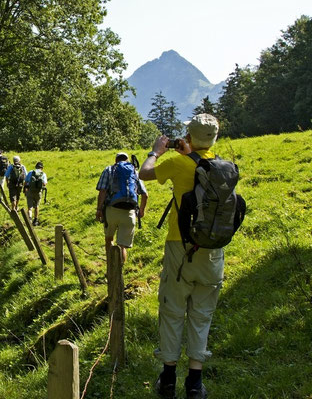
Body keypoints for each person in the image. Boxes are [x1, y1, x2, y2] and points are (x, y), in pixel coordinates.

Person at [139, 114, 223, 399]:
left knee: (173, 310)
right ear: (213, 138)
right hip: (213, 249)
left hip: (180, 243)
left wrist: (156, 151)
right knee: (202, 315)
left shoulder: (178, 163)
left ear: (188, 136)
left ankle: (168, 379)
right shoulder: (222, 166)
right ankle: (195, 384)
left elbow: (145, 173)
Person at [95, 152, 148, 265]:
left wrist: (99, 209)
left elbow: (102, 191)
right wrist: (141, 211)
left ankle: (110, 267)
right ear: (127, 160)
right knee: (122, 246)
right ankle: (120, 269)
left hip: (112, 211)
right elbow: (145, 195)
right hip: (129, 212)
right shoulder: (134, 172)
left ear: (116, 160)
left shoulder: (109, 170)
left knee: (109, 239)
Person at [24, 161, 48, 226]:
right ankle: (35, 220)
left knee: (30, 207)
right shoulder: (43, 174)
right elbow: (44, 183)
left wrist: (25, 190)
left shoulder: (30, 172)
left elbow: (25, 182)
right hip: (38, 192)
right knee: (37, 206)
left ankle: (29, 220)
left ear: (35, 167)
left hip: (30, 191)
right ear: (42, 168)